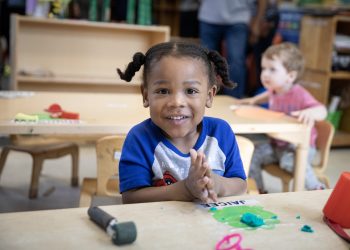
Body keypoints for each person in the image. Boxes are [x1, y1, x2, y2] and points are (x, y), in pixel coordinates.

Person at [116, 41, 247, 204]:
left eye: (191, 91)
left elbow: (241, 185)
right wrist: (185, 190)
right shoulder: (140, 138)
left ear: (209, 95)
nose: (177, 102)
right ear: (145, 95)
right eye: (163, 91)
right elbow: (131, 198)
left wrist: (217, 183)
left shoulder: (221, 132)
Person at [238, 42, 327, 192]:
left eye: (272, 69)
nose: (265, 73)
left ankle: (316, 187)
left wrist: (311, 112)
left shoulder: (299, 93)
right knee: (252, 155)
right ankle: (258, 190)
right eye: (264, 68)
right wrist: (253, 100)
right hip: (277, 144)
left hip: (298, 146)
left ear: (290, 76)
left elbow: (322, 110)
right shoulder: (275, 89)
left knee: (289, 161)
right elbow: (268, 96)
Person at [198, 0, 267, 98]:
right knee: (206, 61)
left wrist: (257, 21)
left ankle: (234, 100)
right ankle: (204, 97)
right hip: (208, 16)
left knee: (236, 61)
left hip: (239, 17)